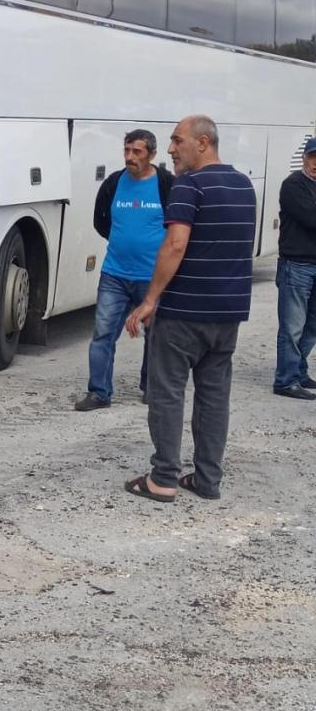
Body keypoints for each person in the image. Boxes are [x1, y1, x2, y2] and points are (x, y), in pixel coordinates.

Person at [123, 115, 256, 502]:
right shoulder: (243, 185)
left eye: (176, 140)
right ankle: (207, 480)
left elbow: (175, 245)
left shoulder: (189, 185)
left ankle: (163, 478)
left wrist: (149, 300)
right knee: (214, 397)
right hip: (227, 313)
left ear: (202, 142)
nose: (169, 149)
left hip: (183, 313)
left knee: (167, 393)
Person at [74, 129, 174, 411]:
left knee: (155, 337)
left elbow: (178, 228)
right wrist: (123, 241)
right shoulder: (113, 183)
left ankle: (151, 388)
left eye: (137, 152)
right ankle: (99, 393)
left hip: (153, 278)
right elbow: (100, 220)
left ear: (152, 155)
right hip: (115, 274)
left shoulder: (167, 184)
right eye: (127, 150)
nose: (130, 157)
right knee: (103, 334)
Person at [271, 137, 316, 400]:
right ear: (305, 159)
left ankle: (299, 371)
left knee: (312, 326)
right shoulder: (293, 186)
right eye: (313, 158)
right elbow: (311, 218)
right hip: (296, 265)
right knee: (292, 326)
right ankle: (285, 380)